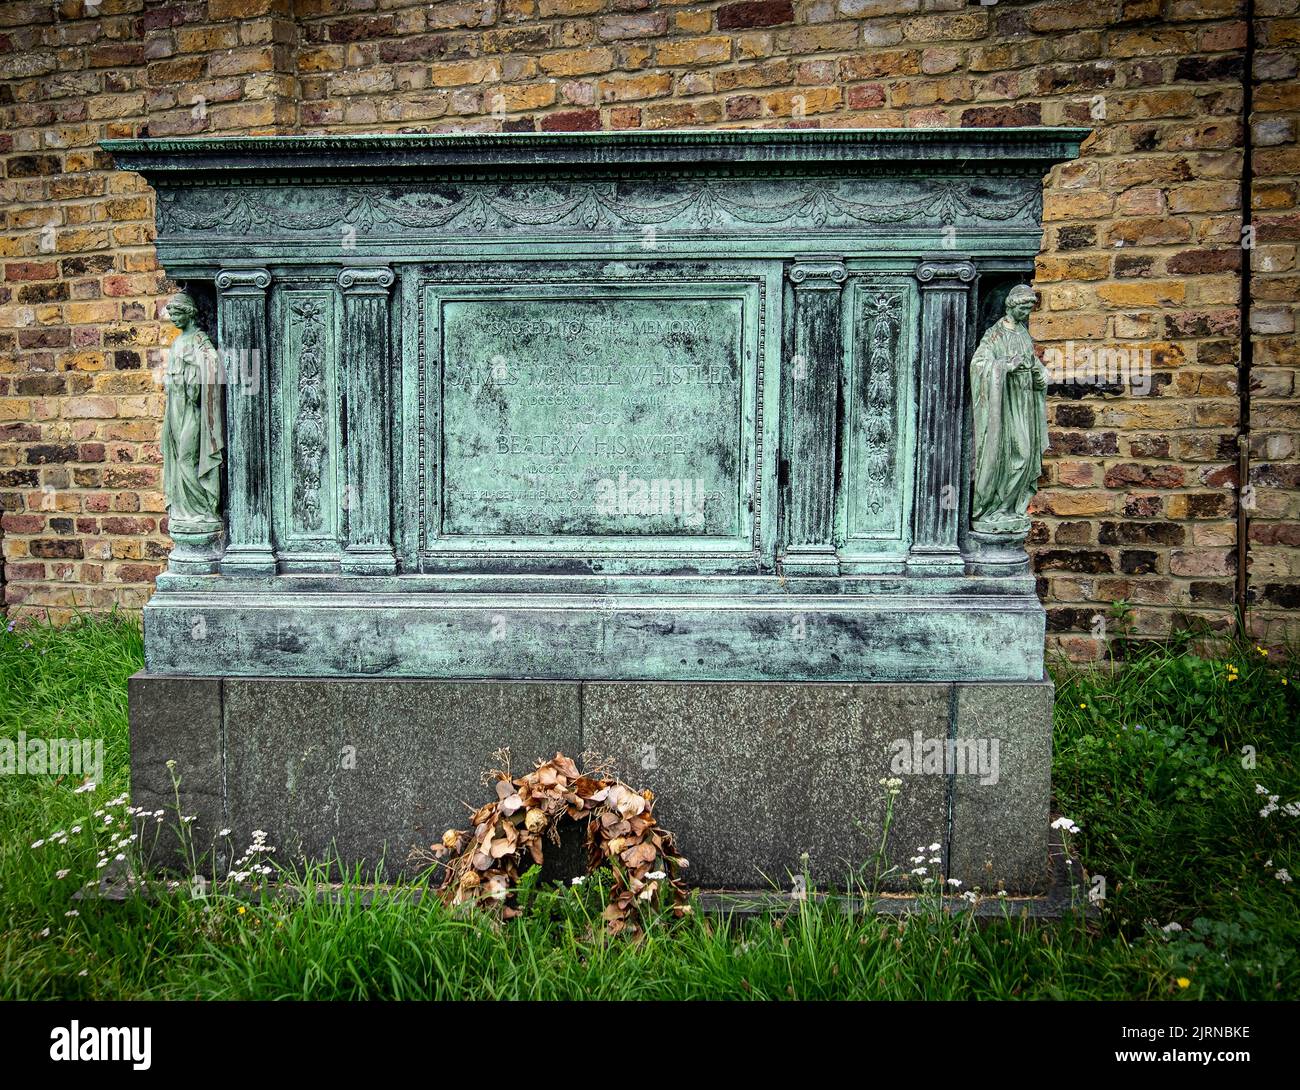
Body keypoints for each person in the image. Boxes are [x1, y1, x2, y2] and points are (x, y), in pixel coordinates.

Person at [969, 284, 1046, 535]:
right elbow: (979, 364)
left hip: (1024, 401)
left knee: (1026, 455)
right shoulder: (995, 334)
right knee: (1017, 454)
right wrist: (1005, 366)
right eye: (1023, 307)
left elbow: (1032, 361)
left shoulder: (1023, 332)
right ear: (1011, 305)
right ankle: (994, 508)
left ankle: (1010, 508)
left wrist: (1039, 372)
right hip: (1004, 403)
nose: (1026, 312)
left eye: (1029, 308)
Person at [161, 291, 223, 532]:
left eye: (177, 313)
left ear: (189, 313)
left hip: (192, 408)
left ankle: (202, 509)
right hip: (175, 407)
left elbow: (212, 363)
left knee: (188, 458)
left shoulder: (199, 339)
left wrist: (193, 376)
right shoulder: (178, 342)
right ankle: (184, 510)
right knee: (178, 458)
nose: (173, 318)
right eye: (171, 314)